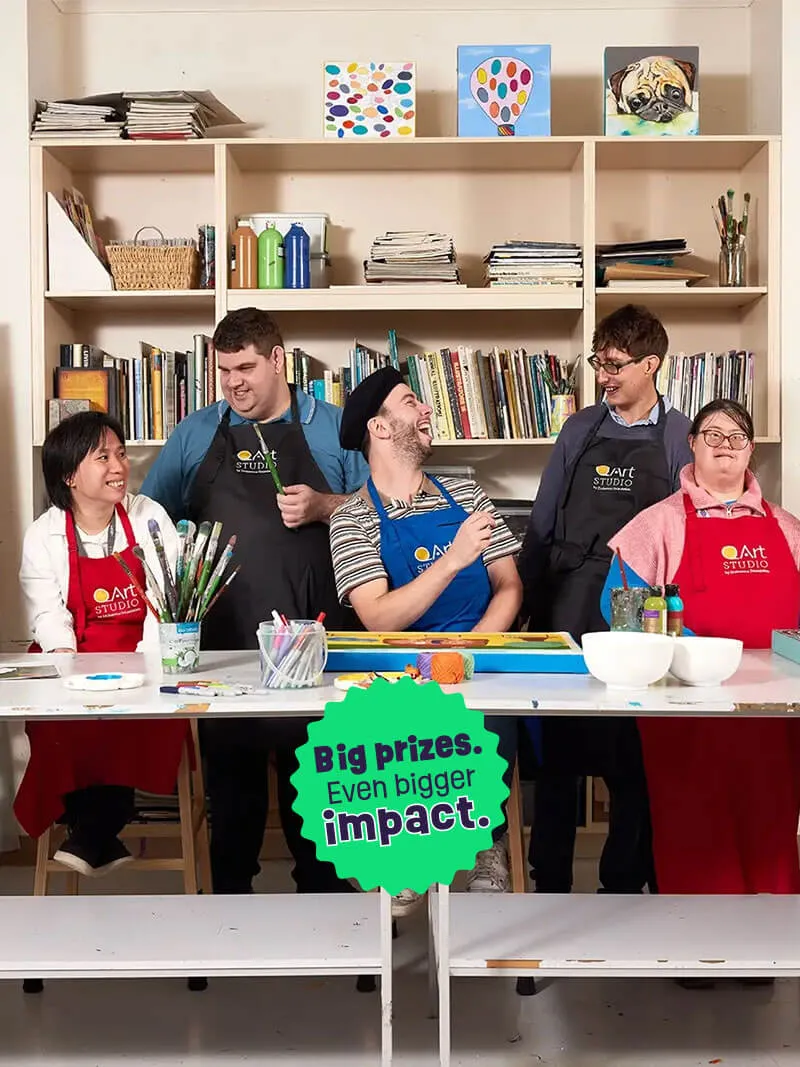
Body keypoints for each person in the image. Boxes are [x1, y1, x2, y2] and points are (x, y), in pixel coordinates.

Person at [142, 307, 368, 895]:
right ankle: (229, 910)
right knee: (232, 797)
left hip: (318, 646)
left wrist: (325, 506)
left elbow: (385, 508)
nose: (233, 383)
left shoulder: (333, 428)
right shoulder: (196, 433)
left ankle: (328, 912)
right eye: (223, 371)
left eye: (245, 368)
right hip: (224, 650)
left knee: (318, 794)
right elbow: (149, 518)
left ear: (278, 361)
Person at [330, 367, 523, 915]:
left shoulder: (466, 494)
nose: (427, 410)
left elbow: (509, 586)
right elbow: (378, 617)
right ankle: (404, 847)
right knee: (392, 721)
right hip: (400, 665)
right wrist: (453, 559)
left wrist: (470, 652)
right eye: (411, 401)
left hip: (478, 657)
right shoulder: (351, 518)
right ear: (379, 427)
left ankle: (488, 846)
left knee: (490, 715)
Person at [518, 304, 693, 895]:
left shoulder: (679, 436)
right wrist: (526, 598)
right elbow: (543, 519)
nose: (603, 376)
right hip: (570, 597)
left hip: (641, 606)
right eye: (598, 362)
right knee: (559, 752)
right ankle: (550, 884)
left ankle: (623, 883)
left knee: (633, 751)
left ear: (651, 364)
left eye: (615, 365)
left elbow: (684, 529)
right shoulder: (579, 429)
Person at [604, 399, 800, 901]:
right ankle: (695, 937)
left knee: (770, 822)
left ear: (751, 450)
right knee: (693, 825)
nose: (725, 447)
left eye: (737, 437)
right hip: (686, 706)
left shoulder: (787, 527)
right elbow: (617, 604)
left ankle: (770, 933)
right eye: (712, 435)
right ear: (692, 444)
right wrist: (686, 650)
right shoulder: (660, 523)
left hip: (775, 714)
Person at [17, 411, 186, 876]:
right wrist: (70, 668)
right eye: (103, 457)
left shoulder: (149, 517)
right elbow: (47, 613)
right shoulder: (44, 534)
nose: (119, 466)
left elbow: (165, 598)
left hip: (141, 652)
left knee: (130, 716)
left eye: (121, 454)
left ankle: (91, 833)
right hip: (69, 655)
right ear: (69, 475)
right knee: (64, 721)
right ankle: (99, 831)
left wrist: (146, 667)